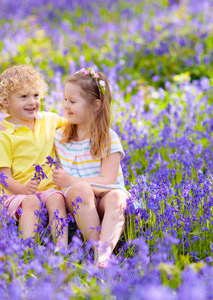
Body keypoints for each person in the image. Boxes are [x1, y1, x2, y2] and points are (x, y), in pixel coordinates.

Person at [52, 67, 128, 268]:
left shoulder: (108, 137)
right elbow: (32, 122)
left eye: (73, 102)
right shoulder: (60, 135)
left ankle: (104, 256)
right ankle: (96, 250)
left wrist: (71, 180)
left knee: (118, 197)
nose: (66, 106)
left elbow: (109, 182)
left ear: (95, 105)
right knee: (81, 190)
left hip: (104, 195)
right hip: (78, 198)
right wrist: (7, 128)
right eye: (65, 100)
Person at [0, 65, 68, 249]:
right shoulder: (3, 136)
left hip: (48, 189)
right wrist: (24, 190)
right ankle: (27, 248)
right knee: (31, 201)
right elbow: (3, 177)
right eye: (23, 97)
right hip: (16, 194)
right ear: (5, 102)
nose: (32, 102)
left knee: (57, 199)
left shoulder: (49, 120)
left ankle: (63, 249)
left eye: (35, 95)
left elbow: (76, 126)